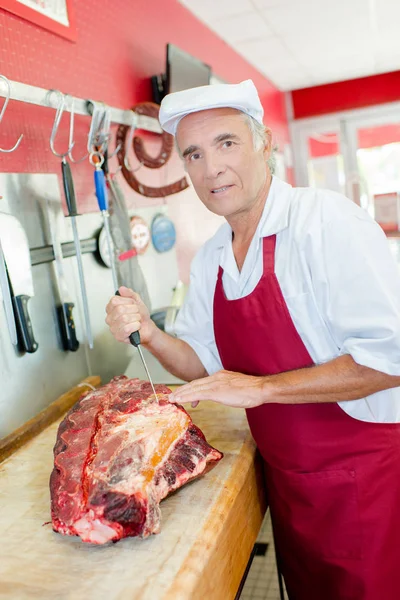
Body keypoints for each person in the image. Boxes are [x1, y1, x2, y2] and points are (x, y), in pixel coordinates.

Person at [105, 79, 400, 600]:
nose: (211, 167)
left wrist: (261, 389)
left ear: (264, 142)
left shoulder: (325, 224)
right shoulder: (213, 257)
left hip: (367, 481)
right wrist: (150, 334)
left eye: (227, 143)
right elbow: (201, 364)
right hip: (290, 485)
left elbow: (389, 360)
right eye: (193, 154)